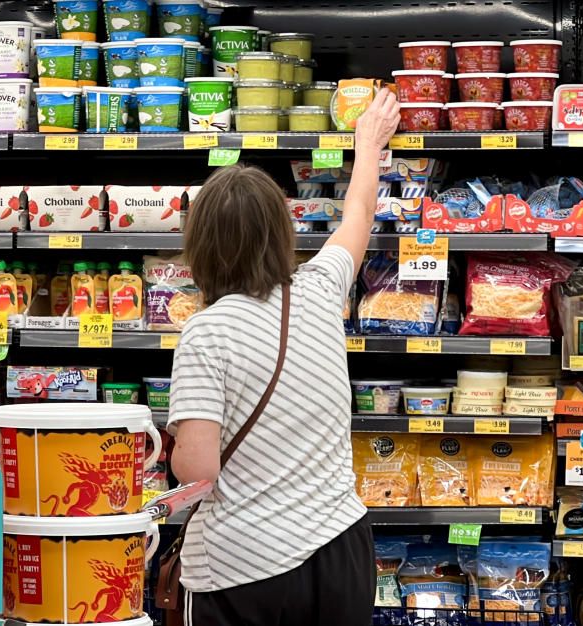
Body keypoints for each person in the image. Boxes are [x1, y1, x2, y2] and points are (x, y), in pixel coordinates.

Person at [165, 88, 401, 626]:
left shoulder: (207, 332)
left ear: (199, 244)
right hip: (341, 548)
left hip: (248, 564)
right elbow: (358, 215)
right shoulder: (319, 289)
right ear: (283, 232)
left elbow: (198, 467)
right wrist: (368, 144)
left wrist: (163, 450)